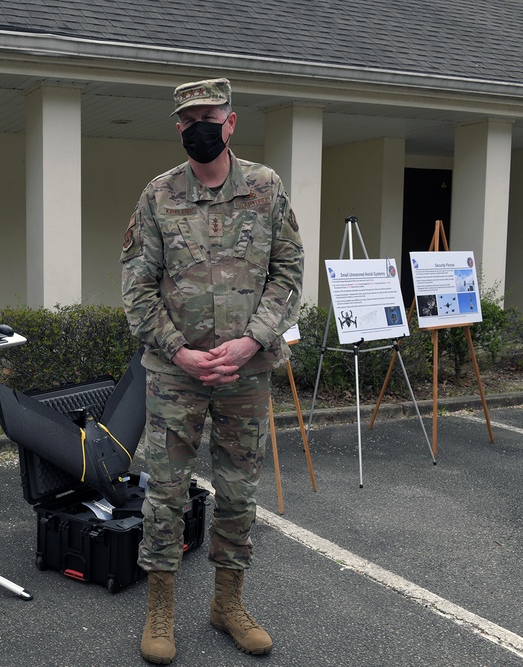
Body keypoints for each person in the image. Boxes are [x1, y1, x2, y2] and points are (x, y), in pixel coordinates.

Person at [120, 78, 304, 664]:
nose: (198, 125)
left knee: (238, 491)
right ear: (179, 127)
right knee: (165, 493)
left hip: (246, 374)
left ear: (231, 122)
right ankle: (161, 607)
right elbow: (137, 287)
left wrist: (252, 342)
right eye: (187, 117)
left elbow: (288, 273)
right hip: (177, 375)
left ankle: (228, 603)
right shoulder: (158, 196)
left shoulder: (266, 188)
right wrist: (179, 351)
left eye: (209, 114)